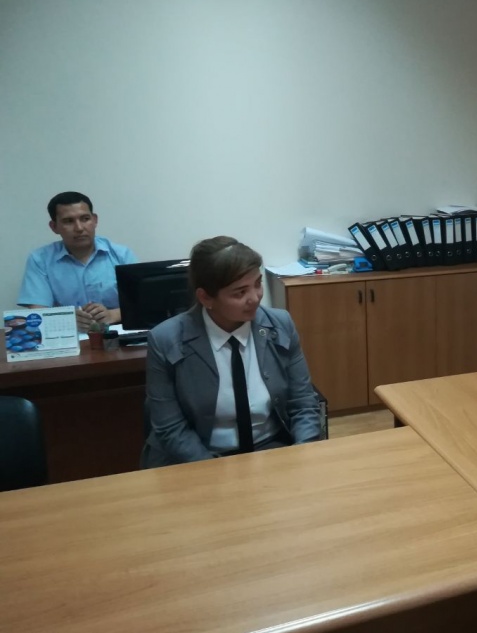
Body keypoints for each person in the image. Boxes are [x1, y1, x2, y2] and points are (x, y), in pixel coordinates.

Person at [141, 236, 321, 468]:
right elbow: (170, 428)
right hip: (197, 460)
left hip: (270, 450)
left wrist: (302, 453)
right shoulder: (165, 340)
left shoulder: (280, 325)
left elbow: (303, 403)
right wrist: (215, 474)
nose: (255, 298)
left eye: (257, 284)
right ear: (206, 297)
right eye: (240, 292)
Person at [18, 191, 137, 332]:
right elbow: (37, 314)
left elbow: (142, 304)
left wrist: (112, 315)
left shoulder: (121, 255)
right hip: (67, 337)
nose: (79, 228)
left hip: (116, 333)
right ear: (54, 227)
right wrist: (68, 320)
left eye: (85, 219)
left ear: (95, 220)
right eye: (68, 221)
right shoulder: (40, 260)